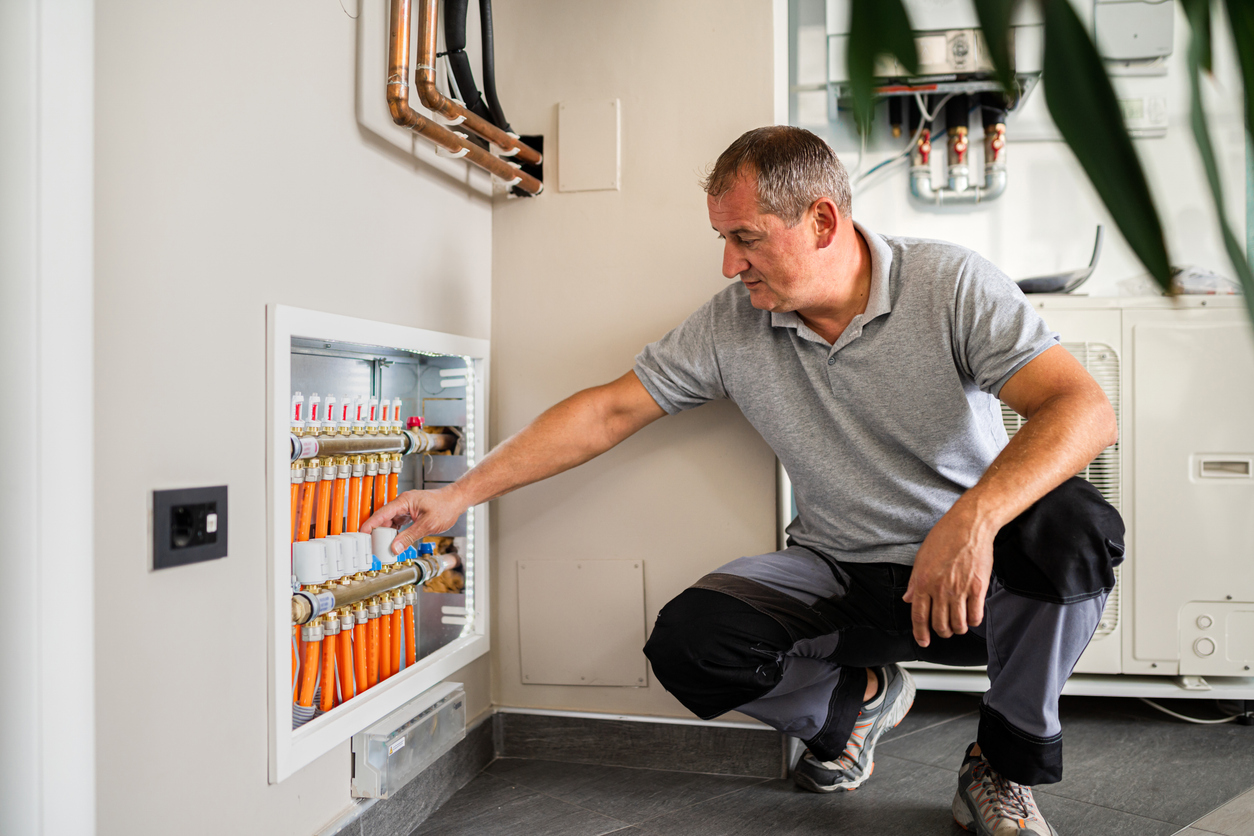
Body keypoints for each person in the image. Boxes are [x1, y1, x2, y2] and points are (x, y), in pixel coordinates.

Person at [363, 126, 1124, 836]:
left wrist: (973, 520)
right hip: (841, 571)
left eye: (746, 238)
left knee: (1076, 526)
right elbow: (609, 410)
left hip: (967, 581)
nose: (730, 264)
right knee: (690, 641)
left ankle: (999, 766)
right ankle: (853, 711)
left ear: (821, 222)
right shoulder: (735, 324)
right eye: (723, 239)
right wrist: (457, 493)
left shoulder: (949, 284)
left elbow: (1082, 409)